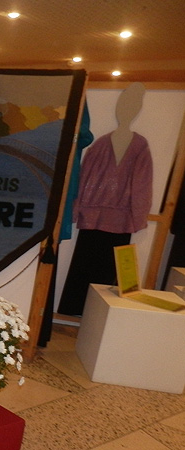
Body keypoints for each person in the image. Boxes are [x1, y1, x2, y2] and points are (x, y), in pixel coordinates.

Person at [58, 83, 153, 316]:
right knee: (101, 272)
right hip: (115, 221)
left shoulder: (129, 146)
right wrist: (138, 218)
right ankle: (91, 315)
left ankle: (79, 311)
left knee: (91, 269)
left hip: (99, 219)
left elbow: (141, 185)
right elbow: (141, 186)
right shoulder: (105, 144)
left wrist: (78, 210)